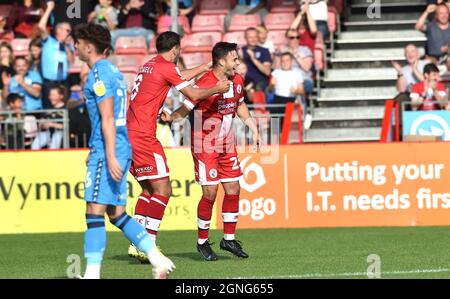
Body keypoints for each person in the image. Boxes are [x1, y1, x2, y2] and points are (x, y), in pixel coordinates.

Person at [74, 23, 175, 279]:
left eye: (78, 42)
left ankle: (92, 275)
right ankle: (157, 259)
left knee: (94, 212)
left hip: (108, 149)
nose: (75, 46)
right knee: (116, 213)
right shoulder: (114, 72)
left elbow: (108, 117)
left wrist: (106, 153)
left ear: (89, 45)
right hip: (118, 146)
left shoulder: (98, 73)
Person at [126, 31, 230, 262]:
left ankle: (137, 243)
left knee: (148, 190)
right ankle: (149, 245)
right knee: (164, 191)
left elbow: (177, 76)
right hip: (144, 136)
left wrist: (203, 68)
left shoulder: (150, 64)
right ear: (175, 50)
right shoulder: (165, 66)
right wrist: (216, 88)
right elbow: (191, 92)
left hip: (129, 134)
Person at [162, 42, 260, 261]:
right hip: (205, 145)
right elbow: (186, 107)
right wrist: (172, 117)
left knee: (233, 188)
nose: (238, 63)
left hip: (226, 144)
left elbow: (240, 105)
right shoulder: (204, 83)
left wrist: (254, 129)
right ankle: (202, 242)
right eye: (234, 59)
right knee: (210, 193)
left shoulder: (237, 80)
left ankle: (229, 238)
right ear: (222, 61)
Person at [38, 0, 74, 108]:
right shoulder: (48, 41)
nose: (69, 33)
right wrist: (49, 9)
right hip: (50, 83)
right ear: (59, 30)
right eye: (67, 30)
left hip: (63, 83)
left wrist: (67, 46)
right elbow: (41, 26)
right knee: (48, 110)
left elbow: (72, 61)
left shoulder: (68, 45)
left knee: (64, 111)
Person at [269, 52, 305, 128]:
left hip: (291, 100)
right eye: (283, 61)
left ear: (291, 61)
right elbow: (269, 90)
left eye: (287, 60)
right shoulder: (276, 72)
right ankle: (275, 137)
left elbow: (301, 91)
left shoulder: (297, 73)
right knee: (275, 126)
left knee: (287, 126)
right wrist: (272, 85)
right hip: (278, 99)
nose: (285, 63)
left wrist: (295, 90)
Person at [31, 85, 66, 150]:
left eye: (54, 95)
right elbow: (41, 122)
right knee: (35, 145)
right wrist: (42, 124)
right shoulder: (47, 108)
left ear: (61, 96)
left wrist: (51, 124)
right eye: (50, 95)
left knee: (56, 137)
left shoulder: (65, 109)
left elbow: (67, 126)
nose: (51, 97)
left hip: (60, 133)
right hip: (47, 132)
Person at [240, 27, 272, 91]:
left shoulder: (264, 51)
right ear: (245, 38)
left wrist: (254, 59)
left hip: (259, 83)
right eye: (250, 37)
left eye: (255, 37)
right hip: (244, 81)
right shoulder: (240, 51)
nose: (253, 39)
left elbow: (267, 72)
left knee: (258, 88)